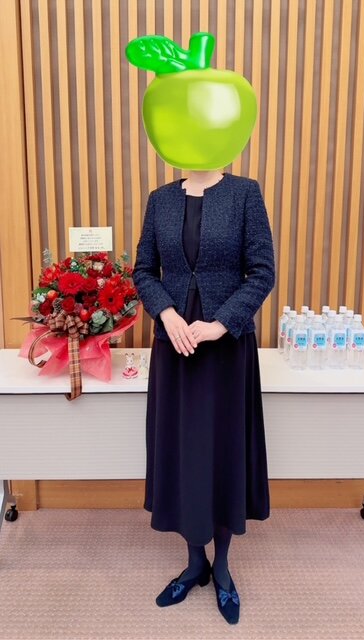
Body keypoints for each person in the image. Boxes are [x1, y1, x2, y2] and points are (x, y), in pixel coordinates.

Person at [132, 168, 275, 624]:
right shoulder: (160, 199)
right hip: (175, 348)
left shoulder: (244, 194)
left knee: (222, 452)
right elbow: (143, 271)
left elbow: (262, 272)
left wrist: (220, 323)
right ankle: (195, 563)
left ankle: (223, 568)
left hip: (226, 349)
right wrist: (165, 312)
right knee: (184, 453)